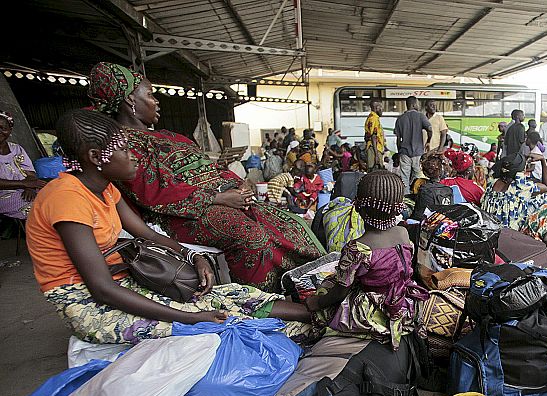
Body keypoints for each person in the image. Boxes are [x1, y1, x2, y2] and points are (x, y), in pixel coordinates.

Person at [26, 109, 310, 345]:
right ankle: (307, 330)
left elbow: (147, 234)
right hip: (85, 300)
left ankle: (317, 314)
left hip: (124, 279)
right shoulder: (66, 198)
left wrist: (193, 256)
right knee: (221, 322)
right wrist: (190, 318)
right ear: (95, 157)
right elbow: (101, 289)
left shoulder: (106, 189)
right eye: (124, 150)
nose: (134, 157)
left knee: (233, 294)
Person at [87, 62, 323, 291]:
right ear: (130, 100)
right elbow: (154, 192)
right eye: (150, 95)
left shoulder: (170, 136)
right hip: (181, 214)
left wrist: (239, 185)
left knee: (287, 221)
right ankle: (263, 301)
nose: (157, 101)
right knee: (251, 237)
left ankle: (310, 283)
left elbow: (209, 168)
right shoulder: (124, 146)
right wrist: (219, 198)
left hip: (220, 200)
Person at [304, 170, 428, 350]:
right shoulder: (403, 233)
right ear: (398, 209)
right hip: (404, 302)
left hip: (372, 313)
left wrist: (316, 303)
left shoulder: (357, 248)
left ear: (358, 207)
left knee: (326, 293)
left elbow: (340, 292)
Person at [482, 152, 547, 230]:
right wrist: (543, 160)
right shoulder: (522, 188)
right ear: (521, 171)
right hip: (507, 233)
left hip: (488, 227)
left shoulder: (492, 182)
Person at [0, 111, 46, 219]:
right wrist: (25, 184)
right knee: (40, 209)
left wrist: (30, 188)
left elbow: (30, 173)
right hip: (3, 196)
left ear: (10, 130)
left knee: (56, 196)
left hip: (26, 189)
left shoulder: (16, 149)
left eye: (3, 128)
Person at [394, 96, 432, 194]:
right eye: (418, 103)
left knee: (404, 178)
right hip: (418, 153)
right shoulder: (420, 116)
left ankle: (406, 200)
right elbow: (430, 129)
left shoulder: (400, 119)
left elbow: (398, 139)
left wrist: (399, 152)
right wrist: (428, 141)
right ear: (414, 104)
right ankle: (419, 196)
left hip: (404, 153)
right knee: (419, 176)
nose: (419, 105)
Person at [364, 98, 386, 171]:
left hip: (374, 148)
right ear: (377, 107)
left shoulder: (371, 117)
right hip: (374, 149)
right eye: (381, 107)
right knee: (375, 172)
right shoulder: (374, 119)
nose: (382, 110)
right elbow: (373, 136)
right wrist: (376, 155)